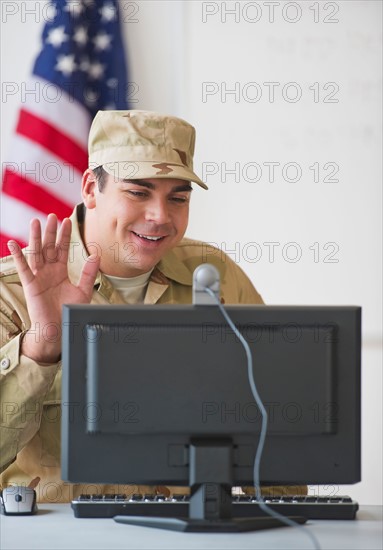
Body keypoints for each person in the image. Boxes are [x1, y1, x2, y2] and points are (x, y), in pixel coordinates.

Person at [0, 110, 304, 503]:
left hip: (189, 533)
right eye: (138, 193)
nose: (160, 216)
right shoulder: (13, 291)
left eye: (177, 198)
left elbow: (276, 413)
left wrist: (284, 514)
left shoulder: (215, 276)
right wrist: (41, 348)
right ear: (91, 188)